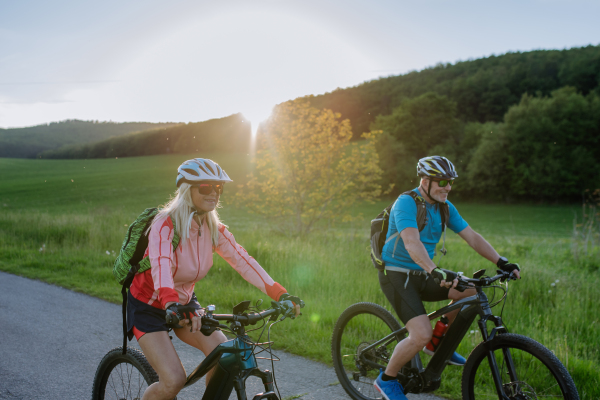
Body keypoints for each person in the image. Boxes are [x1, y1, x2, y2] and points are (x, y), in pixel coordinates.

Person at [126, 158, 302, 400]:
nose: (214, 193)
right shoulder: (165, 224)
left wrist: (280, 294)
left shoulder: (212, 228)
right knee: (173, 380)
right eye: (206, 187)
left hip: (184, 303)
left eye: (218, 188)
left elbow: (243, 260)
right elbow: (161, 266)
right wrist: (169, 303)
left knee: (225, 359)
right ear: (188, 190)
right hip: (150, 305)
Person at [373, 156, 520, 400]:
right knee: (420, 334)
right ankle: (386, 380)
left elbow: (471, 236)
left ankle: (437, 343)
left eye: (450, 182)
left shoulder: (444, 207)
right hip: (397, 275)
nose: (448, 187)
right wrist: (434, 269)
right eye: (442, 182)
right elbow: (411, 242)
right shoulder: (406, 203)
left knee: (471, 291)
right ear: (425, 180)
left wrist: (501, 261)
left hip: (425, 272)